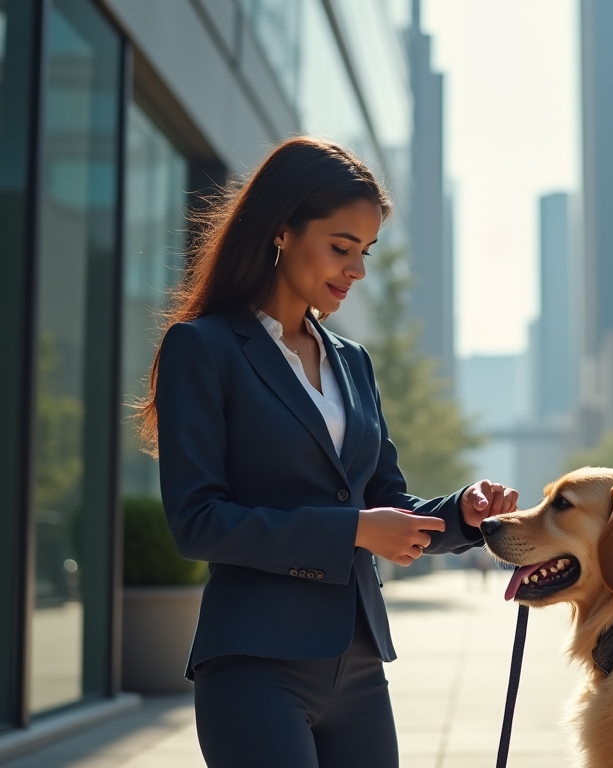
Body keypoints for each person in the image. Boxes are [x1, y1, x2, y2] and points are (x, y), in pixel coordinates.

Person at [137, 137, 518, 767]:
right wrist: (353, 532)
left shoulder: (353, 362)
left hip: (359, 667)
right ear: (282, 231)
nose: (357, 270)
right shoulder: (202, 348)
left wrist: (462, 515)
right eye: (342, 248)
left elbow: (383, 502)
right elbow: (197, 522)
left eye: (364, 253)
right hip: (255, 665)